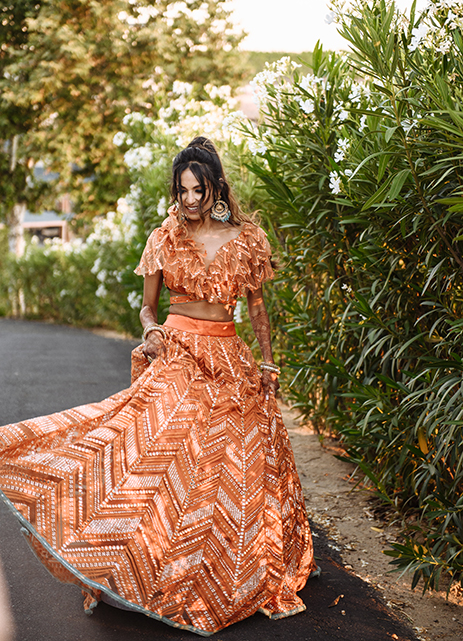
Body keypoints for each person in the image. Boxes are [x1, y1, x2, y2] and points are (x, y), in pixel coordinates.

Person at [0, 137, 317, 636]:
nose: (189, 199)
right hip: (177, 352)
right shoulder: (163, 238)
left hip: (230, 362)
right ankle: (136, 563)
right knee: (153, 453)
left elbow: (257, 308)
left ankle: (215, 570)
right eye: (182, 190)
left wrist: (270, 365)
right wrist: (150, 331)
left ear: (215, 187)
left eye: (198, 189)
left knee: (228, 471)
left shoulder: (249, 239)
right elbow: (148, 306)